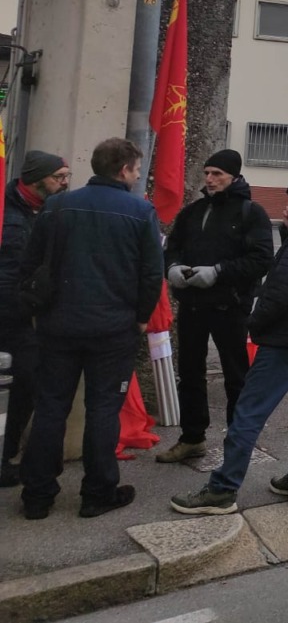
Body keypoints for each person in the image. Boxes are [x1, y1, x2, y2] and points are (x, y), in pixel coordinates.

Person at [170, 158, 288, 515]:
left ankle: (222, 489)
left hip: (287, 339)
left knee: (248, 413)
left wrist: (255, 324)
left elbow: (282, 287)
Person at [19, 138, 162, 520]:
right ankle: (98, 492)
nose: (135, 175)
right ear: (124, 170)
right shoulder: (140, 211)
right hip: (113, 328)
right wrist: (142, 315)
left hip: (58, 324)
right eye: (134, 169)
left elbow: (30, 263)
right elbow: (152, 273)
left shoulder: (57, 205)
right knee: (103, 408)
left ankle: (37, 494)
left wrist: (38, 307)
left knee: (51, 405)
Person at [157, 149, 274, 465]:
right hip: (193, 306)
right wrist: (173, 268)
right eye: (207, 173)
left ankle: (240, 439)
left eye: (217, 174)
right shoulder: (193, 211)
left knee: (236, 375)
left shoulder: (251, 213)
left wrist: (219, 272)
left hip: (230, 308)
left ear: (233, 176)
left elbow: (262, 259)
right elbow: (172, 247)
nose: (209, 179)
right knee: (190, 374)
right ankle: (192, 438)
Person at [0, 151, 71, 488]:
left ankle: (7, 454)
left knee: (26, 384)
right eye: (59, 176)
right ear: (37, 177)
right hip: (6, 310)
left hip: (30, 314)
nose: (65, 182)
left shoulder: (55, 211)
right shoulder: (6, 207)